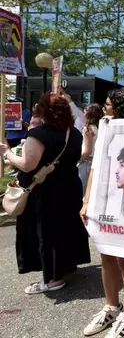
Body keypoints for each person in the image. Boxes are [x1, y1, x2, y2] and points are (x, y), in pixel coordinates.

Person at [0, 92, 90, 294]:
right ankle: (64, 267)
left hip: (46, 192)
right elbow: (80, 154)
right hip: (69, 187)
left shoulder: (39, 134)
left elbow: (27, 164)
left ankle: (52, 279)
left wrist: (6, 153)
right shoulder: (72, 133)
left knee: (46, 234)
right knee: (64, 230)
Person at [80, 88, 124, 338]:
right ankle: (111, 306)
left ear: (120, 108)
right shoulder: (106, 131)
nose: (104, 108)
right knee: (106, 256)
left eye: (108, 105)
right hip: (104, 203)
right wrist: (87, 201)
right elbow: (96, 169)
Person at [79, 103, 103, 192]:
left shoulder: (88, 129)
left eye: (84, 112)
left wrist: (76, 159)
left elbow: (87, 150)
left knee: (82, 191)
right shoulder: (98, 127)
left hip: (86, 162)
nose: (83, 114)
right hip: (94, 161)